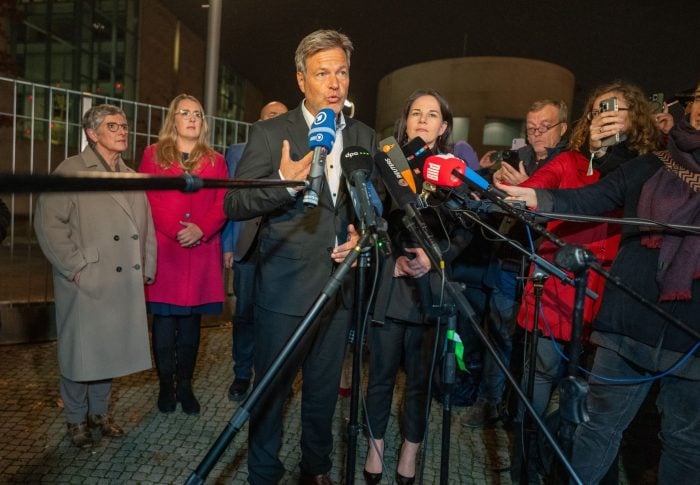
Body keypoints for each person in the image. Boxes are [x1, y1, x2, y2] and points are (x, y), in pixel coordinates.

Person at [497, 81, 700, 485]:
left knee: (684, 443)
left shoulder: (644, 149)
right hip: (625, 322)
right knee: (597, 428)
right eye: (699, 99)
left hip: (689, 334)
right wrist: (535, 198)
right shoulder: (654, 162)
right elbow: (593, 197)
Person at [224, 30, 376, 485]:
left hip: (337, 288)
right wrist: (283, 183)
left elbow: (373, 204)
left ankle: (317, 469)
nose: (334, 82)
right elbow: (235, 205)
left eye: (342, 72)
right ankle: (263, 472)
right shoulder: (271, 133)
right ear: (301, 80)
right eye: (322, 72)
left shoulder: (364, 135)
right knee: (270, 390)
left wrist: (360, 233)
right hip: (283, 288)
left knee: (324, 393)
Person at [33, 104, 156, 448]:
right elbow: (48, 224)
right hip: (87, 278)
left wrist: (146, 267)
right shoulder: (71, 171)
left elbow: (145, 228)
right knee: (80, 353)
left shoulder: (130, 175)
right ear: (92, 132)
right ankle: (76, 420)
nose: (122, 131)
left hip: (120, 281)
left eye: (124, 125)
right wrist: (75, 267)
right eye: (113, 126)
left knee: (109, 351)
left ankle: (99, 414)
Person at [363, 88, 457, 485]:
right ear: (405, 121)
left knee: (420, 382)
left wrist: (435, 258)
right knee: (381, 376)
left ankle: (409, 451)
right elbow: (372, 222)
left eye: (431, 114)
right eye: (415, 112)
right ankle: (375, 446)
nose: (422, 119)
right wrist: (393, 261)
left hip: (430, 290)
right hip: (392, 285)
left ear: (444, 125)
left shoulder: (454, 172)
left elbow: (466, 233)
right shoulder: (385, 166)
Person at [460, 99, 570, 428]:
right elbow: (488, 198)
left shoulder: (568, 164)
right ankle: (491, 402)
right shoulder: (517, 158)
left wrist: (525, 191)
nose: (536, 133)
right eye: (531, 126)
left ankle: (523, 414)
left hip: (546, 268)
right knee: (500, 335)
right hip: (508, 261)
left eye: (544, 127)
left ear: (562, 128)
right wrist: (493, 188)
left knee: (537, 347)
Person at [138, 94, 228, 415]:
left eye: (198, 114)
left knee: (191, 326)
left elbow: (222, 202)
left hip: (201, 251)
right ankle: (166, 386)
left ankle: (186, 386)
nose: (192, 119)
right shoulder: (153, 155)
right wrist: (177, 228)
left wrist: (201, 228)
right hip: (167, 250)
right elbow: (149, 197)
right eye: (185, 113)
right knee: (163, 323)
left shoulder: (216, 160)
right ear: (172, 119)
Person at [223, 100, 288, 402]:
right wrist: (227, 245)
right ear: (259, 122)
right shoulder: (237, 152)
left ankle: (273, 379)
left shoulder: (298, 151)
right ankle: (241, 374)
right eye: (269, 117)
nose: (275, 121)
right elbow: (228, 200)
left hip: (282, 248)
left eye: (280, 117)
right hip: (246, 246)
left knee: (276, 317)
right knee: (244, 315)